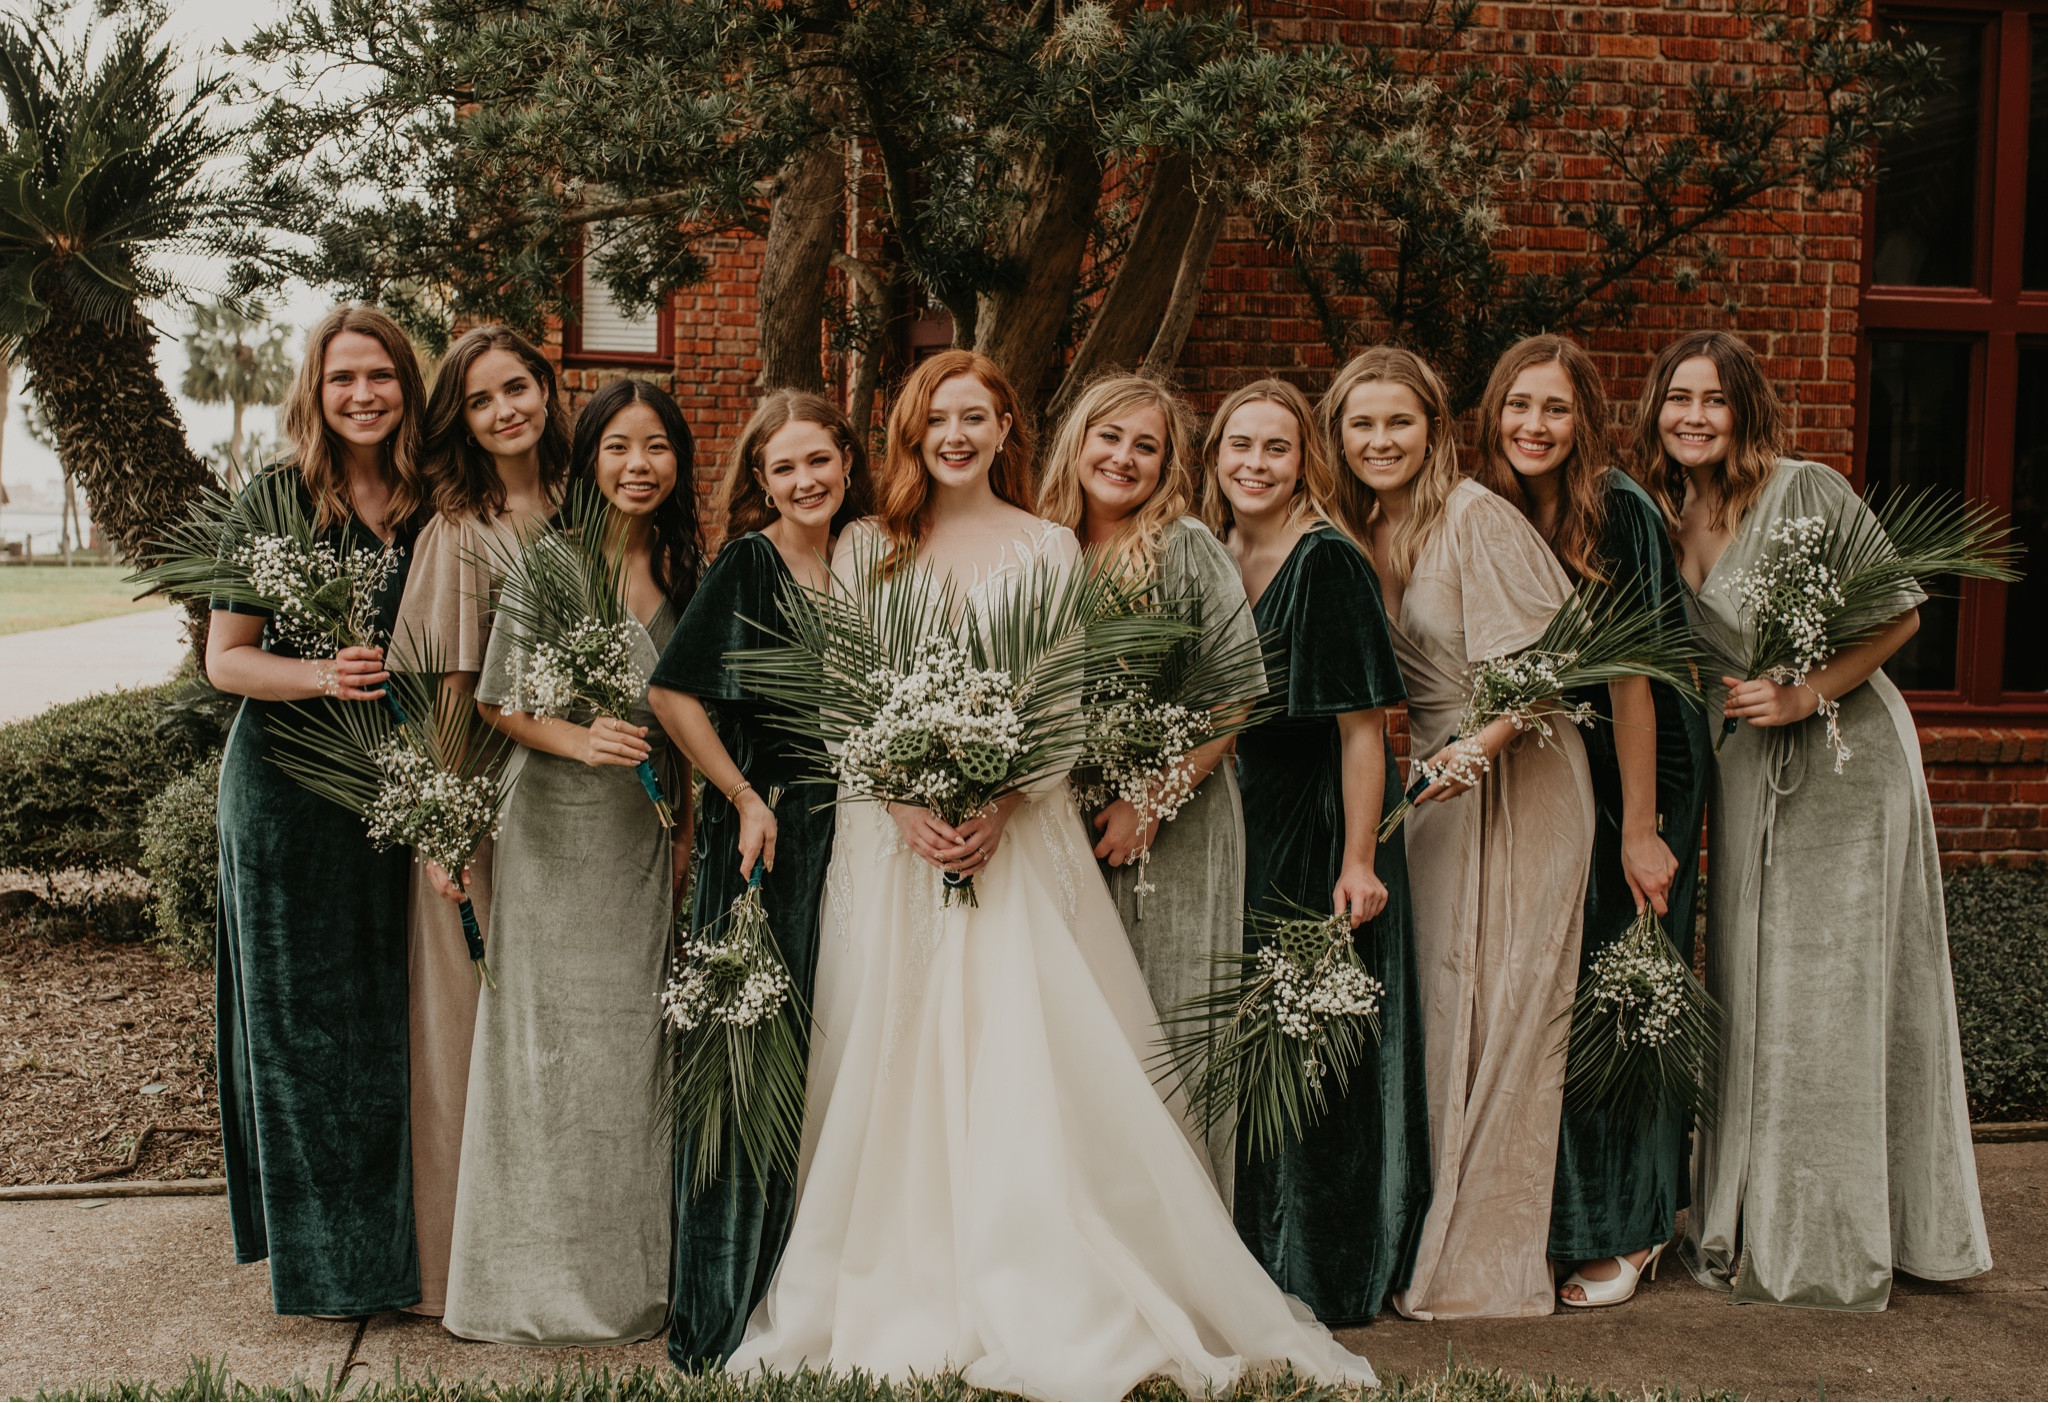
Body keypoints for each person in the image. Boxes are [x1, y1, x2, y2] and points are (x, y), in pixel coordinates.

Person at [726, 350, 1375, 1400]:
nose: (954, 435)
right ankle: (899, 1265)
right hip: (886, 841)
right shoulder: (863, 546)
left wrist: (996, 799)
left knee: (1017, 1041)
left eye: (974, 416)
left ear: (1005, 428)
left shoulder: (1043, 546)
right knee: (892, 1043)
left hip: (1016, 833)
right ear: (909, 430)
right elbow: (841, 701)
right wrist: (901, 799)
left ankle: (1039, 1266)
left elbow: (1059, 708)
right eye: (936, 417)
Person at [1639, 329, 1991, 1310]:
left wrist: (1802, 695)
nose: (1693, 416)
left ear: (1743, 410)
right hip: (1747, 766)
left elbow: (1899, 615)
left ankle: (1834, 1233)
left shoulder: (1805, 491)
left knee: (1827, 992)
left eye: (1712, 399)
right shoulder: (1659, 516)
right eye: (1677, 397)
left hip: (1844, 756)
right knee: (1753, 980)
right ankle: (1751, 1210)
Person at [1319, 346, 1596, 1321]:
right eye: (1361, 423)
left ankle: (1481, 1251)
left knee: (1504, 1003)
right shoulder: (1351, 529)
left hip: (1521, 770)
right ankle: (1418, 1225)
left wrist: (1468, 752)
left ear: (1432, 430)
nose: (1379, 440)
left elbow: (1550, 664)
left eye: (1398, 422)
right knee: (1442, 1003)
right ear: (1337, 435)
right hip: (1435, 777)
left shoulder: (1474, 514)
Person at [443, 378, 704, 1344]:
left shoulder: (684, 568)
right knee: (546, 1050)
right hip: (554, 829)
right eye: (619, 447)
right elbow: (498, 702)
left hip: (644, 836)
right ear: (589, 458)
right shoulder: (548, 566)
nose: (639, 464)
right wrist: (579, 738)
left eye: (659, 446)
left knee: (631, 1051)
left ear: (678, 461)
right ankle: (528, 1279)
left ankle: (632, 1278)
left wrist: (684, 828)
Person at [1471, 334, 1712, 1307]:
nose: (1532, 424)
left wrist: (1638, 828)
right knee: (1556, 988)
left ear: (1583, 422)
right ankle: (1561, 1212)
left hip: (1640, 761)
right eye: (1516, 406)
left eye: (1553, 409)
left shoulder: (1612, 508)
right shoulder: (1492, 507)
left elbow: (1635, 673)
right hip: (1553, 759)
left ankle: (1634, 1222)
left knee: (1625, 986)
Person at [207, 304, 430, 1317]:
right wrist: (319, 674)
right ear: (315, 388)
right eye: (343, 378)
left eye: (379, 375)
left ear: (405, 385)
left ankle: (402, 1245)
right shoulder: (272, 500)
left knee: (390, 1015)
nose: (362, 395)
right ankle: (330, 1268)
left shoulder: (435, 503)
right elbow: (226, 658)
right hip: (287, 795)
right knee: (301, 1026)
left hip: (400, 785)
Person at [1199, 378, 1431, 1323]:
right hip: (1235, 828)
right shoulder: (1213, 551)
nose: (1254, 465)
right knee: (1247, 1039)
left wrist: (1360, 858)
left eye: (1276, 449)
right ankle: (1244, 1247)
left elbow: (1361, 730)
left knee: (1316, 1054)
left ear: (1305, 462)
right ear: (1215, 456)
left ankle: (1324, 1266)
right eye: (1238, 447)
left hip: (1317, 832)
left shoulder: (1326, 560)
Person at [648, 390, 871, 1365]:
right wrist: (741, 795)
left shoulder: (864, 563)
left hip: (859, 839)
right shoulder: (749, 561)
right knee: (751, 1069)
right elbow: (669, 689)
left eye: (817, 460)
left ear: (847, 462)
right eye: (782, 468)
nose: (803, 480)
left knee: (835, 1064)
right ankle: (729, 1300)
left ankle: (819, 1281)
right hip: (767, 844)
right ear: (760, 480)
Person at [1035, 373, 1265, 1199]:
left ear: (1168, 465)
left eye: (1147, 446)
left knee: (1171, 1027)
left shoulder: (1186, 547)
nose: (1124, 458)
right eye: (1110, 436)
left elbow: (1238, 690)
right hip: (1062, 830)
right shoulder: (1043, 546)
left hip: (1180, 822)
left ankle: (1191, 1242)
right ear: (1078, 440)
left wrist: (1152, 801)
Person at [390, 324, 568, 1318]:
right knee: (474, 1023)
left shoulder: (589, 505)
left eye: (519, 387)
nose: (507, 409)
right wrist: (444, 823)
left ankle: (561, 1238)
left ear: (546, 388)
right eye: (482, 399)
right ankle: (463, 1260)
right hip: (489, 807)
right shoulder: (462, 528)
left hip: (586, 808)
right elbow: (452, 688)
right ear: (460, 419)